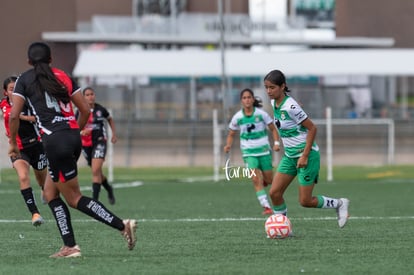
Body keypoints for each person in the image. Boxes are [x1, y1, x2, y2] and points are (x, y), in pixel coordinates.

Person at [8, 42, 137, 258]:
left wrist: (12, 143)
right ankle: (70, 246)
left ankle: (122, 226)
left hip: (54, 142)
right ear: (50, 59)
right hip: (72, 138)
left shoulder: (24, 79)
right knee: (50, 193)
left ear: (29, 62)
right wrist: (73, 131)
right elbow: (85, 110)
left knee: (74, 198)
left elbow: (13, 116)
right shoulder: (63, 75)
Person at [263, 69, 350, 228]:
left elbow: (312, 128)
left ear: (282, 86)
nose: (268, 91)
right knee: (274, 193)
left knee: (305, 201)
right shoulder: (274, 102)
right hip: (290, 157)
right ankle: (282, 227)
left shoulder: (290, 107)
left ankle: (340, 203)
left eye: (272, 87)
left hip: (306, 156)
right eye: (266, 87)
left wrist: (304, 155)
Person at [224, 88, 280, 215]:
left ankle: (265, 180)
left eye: (249, 97)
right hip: (249, 152)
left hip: (264, 151)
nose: (247, 100)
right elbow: (231, 133)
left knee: (270, 180)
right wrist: (228, 145)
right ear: (241, 101)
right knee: (255, 179)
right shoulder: (238, 117)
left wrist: (276, 143)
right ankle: (266, 206)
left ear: (253, 99)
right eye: (244, 98)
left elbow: (273, 129)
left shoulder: (261, 114)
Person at [1, 76, 48, 226]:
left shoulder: (29, 102)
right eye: (11, 89)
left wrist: (22, 117)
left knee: (42, 181)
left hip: (37, 145)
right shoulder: (3, 105)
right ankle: (35, 213)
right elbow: (8, 117)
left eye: (16, 88)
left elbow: (39, 118)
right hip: (18, 149)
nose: (14, 91)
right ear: (5, 92)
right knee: (23, 177)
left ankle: (43, 189)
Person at [77, 87, 116, 204]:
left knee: (95, 170)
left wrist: (114, 134)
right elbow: (73, 126)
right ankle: (109, 188)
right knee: (97, 172)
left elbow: (109, 119)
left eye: (92, 94)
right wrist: (81, 132)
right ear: (83, 97)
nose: (90, 97)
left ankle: (95, 202)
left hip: (100, 141)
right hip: (86, 144)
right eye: (87, 95)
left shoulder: (100, 110)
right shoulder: (79, 111)